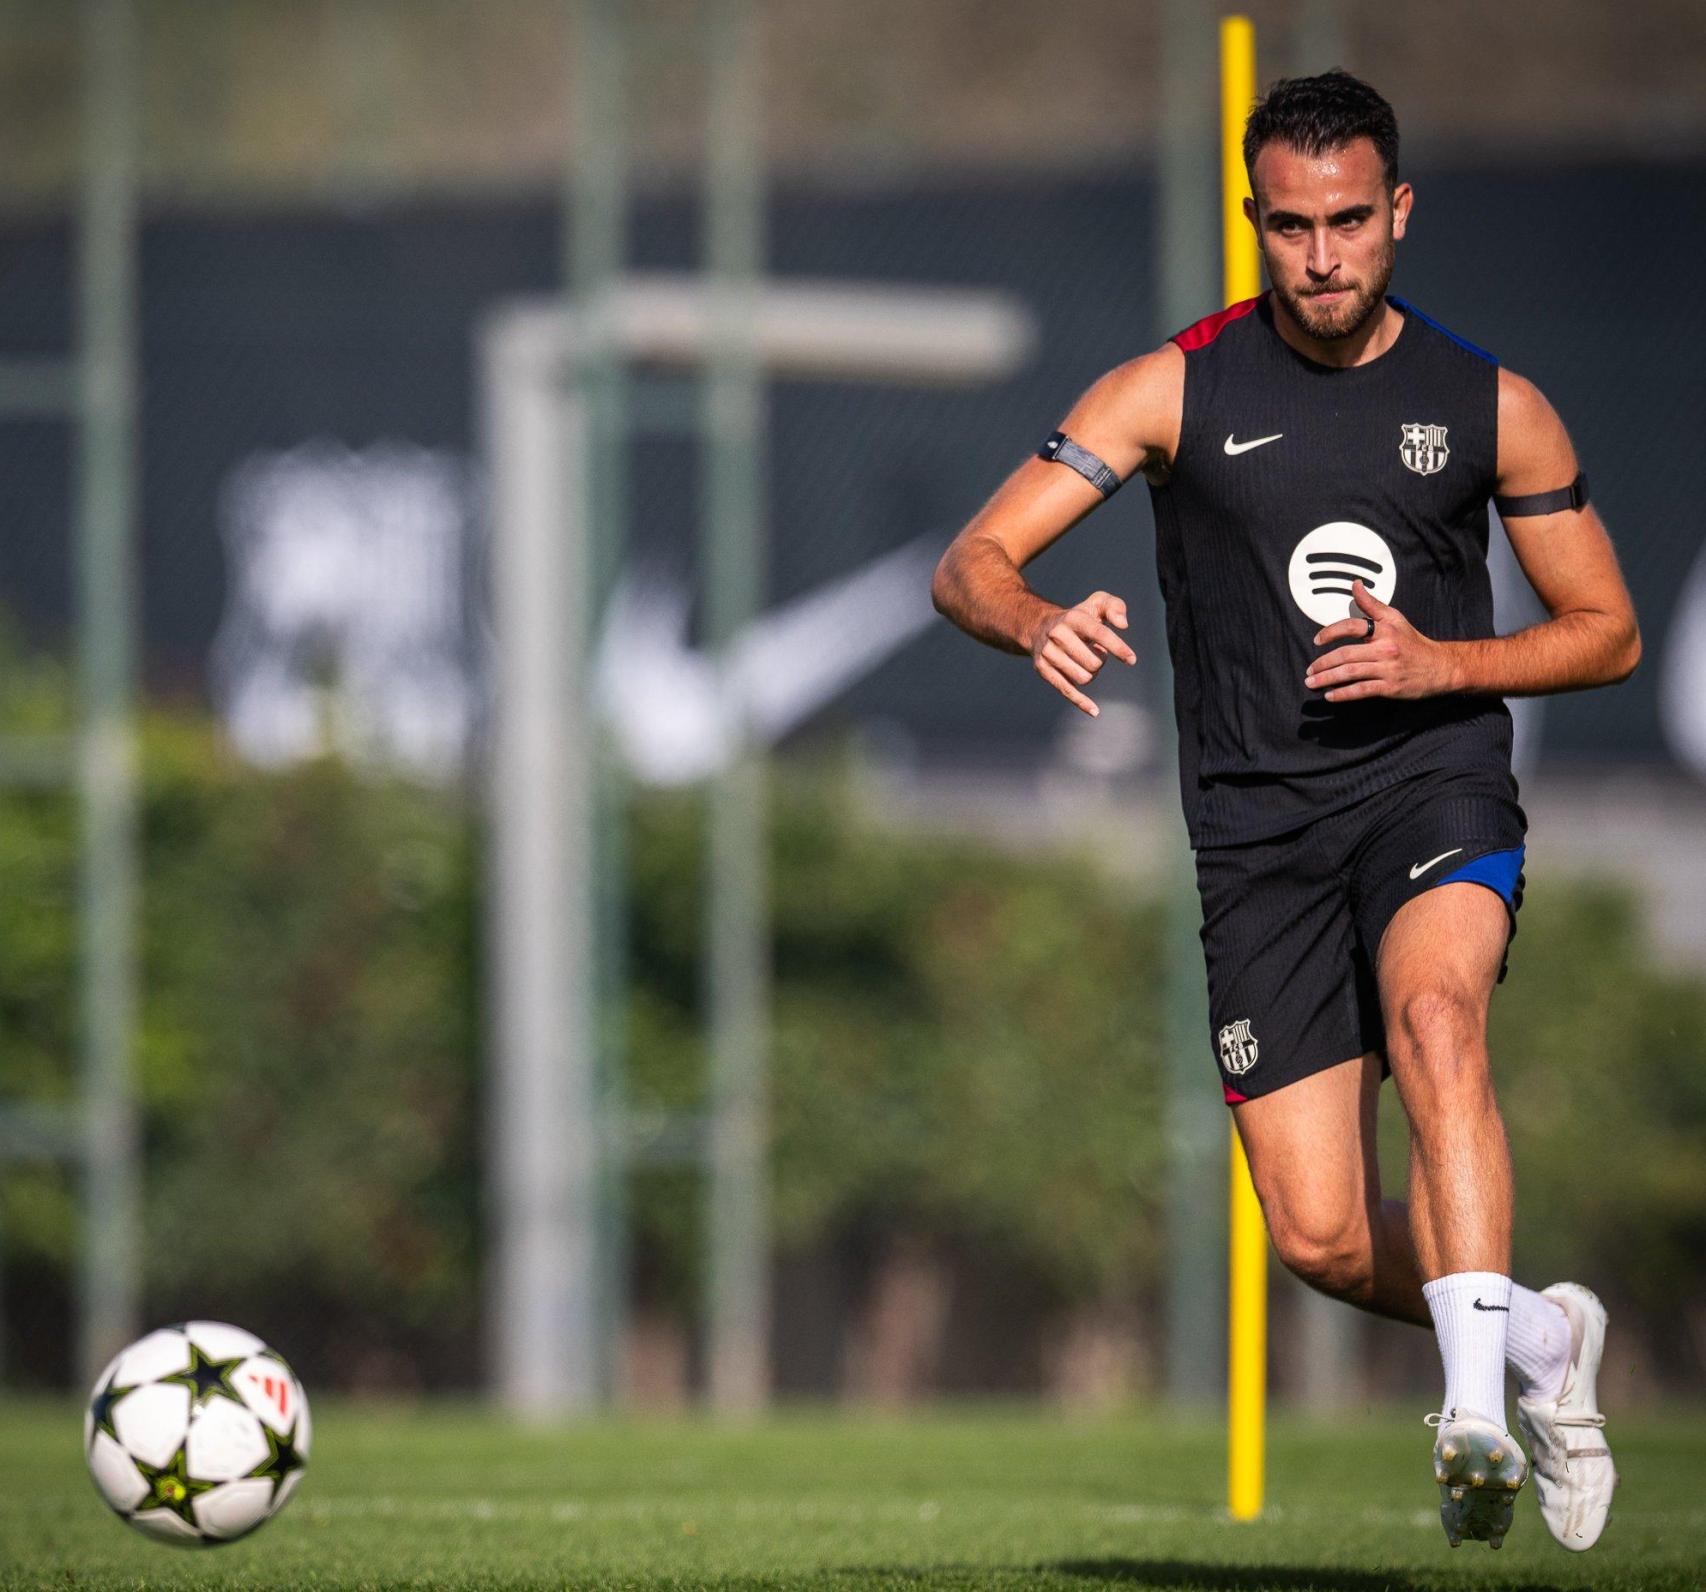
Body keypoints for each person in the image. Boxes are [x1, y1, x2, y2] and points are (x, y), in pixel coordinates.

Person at [931, 70, 1637, 1553]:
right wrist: (1027, 619)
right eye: (1289, 227)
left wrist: (1443, 662)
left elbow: (1606, 633)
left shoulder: (1489, 406)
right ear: (1256, 220)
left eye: (1348, 223)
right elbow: (972, 561)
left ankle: (1467, 1427)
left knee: (1439, 1020)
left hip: (1428, 780)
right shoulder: (1164, 390)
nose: (1321, 257)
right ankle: (1533, 1344)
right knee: (1316, 1234)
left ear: (1397, 213)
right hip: (1256, 834)